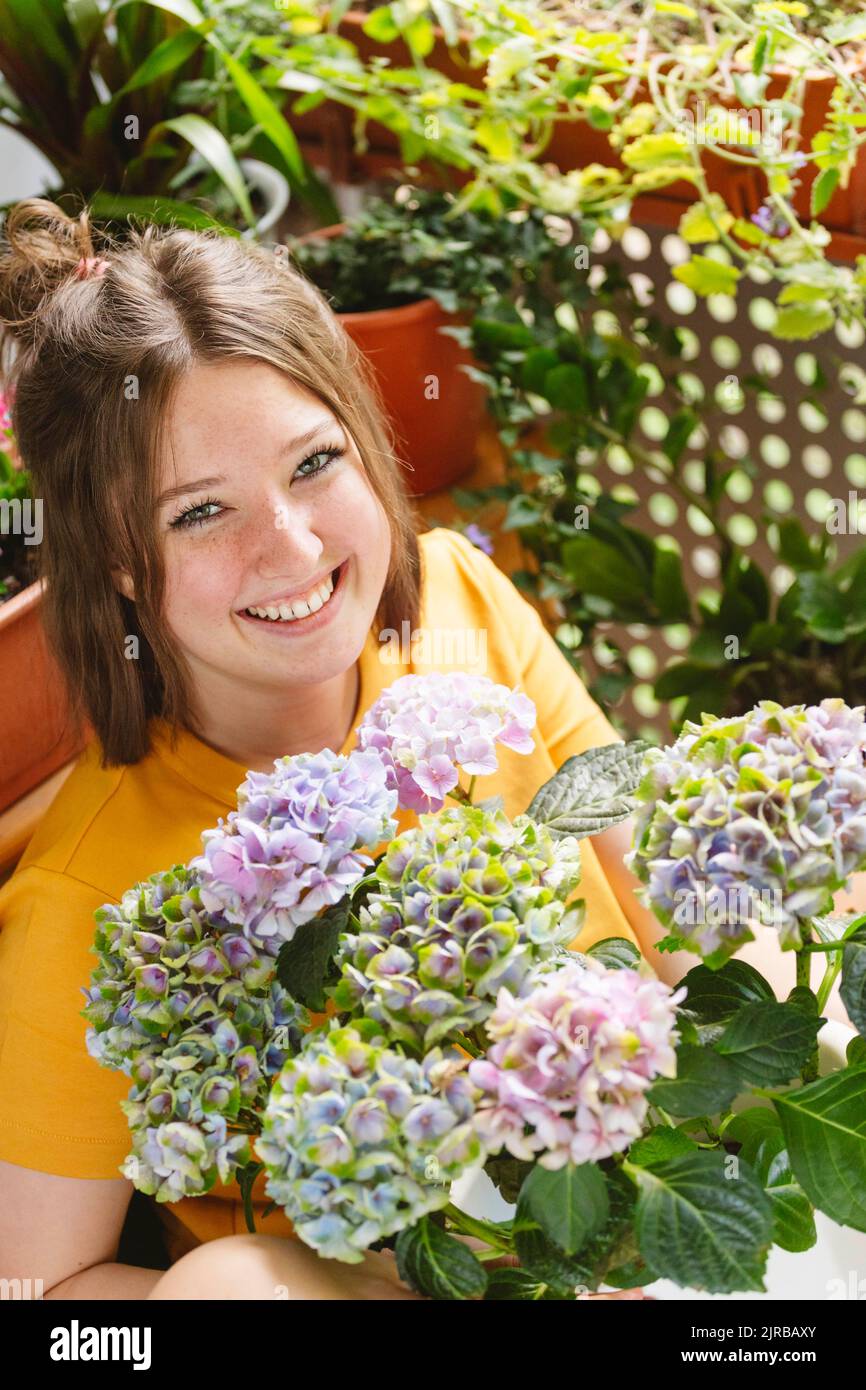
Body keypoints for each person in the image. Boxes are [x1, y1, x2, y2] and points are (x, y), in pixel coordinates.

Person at [0, 199, 845, 1302]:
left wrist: (782, 1080)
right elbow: (43, 1291)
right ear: (114, 560)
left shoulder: (461, 596)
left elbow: (673, 918)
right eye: (199, 514)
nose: (291, 547)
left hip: (632, 1196)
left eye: (314, 464)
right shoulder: (87, 891)